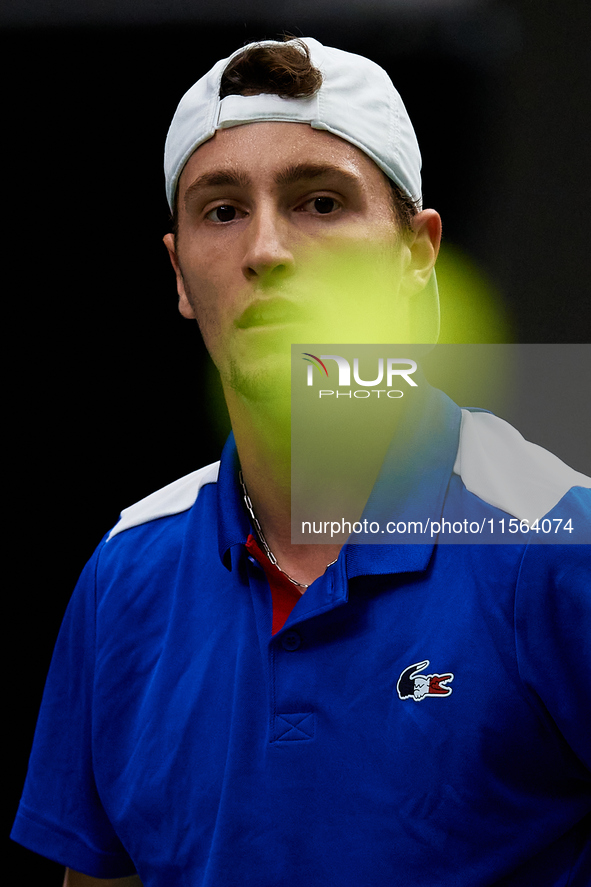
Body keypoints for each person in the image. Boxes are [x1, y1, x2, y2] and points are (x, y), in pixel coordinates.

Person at [11, 36, 591, 887]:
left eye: (319, 203)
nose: (266, 251)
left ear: (415, 255)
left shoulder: (556, 544)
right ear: (179, 274)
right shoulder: (121, 571)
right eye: (220, 210)